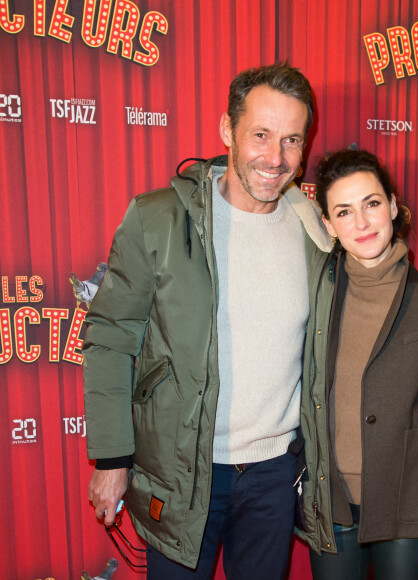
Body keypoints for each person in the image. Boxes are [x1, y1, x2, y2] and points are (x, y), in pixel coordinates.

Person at [83, 62, 335, 580]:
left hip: (275, 473)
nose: (276, 158)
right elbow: (109, 339)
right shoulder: (158, 219)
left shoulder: (317, 232)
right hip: (182, 469)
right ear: (227, 130)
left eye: (292, 140)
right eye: (261, 135)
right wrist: (112, 458)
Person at [298, 149, 418, 579]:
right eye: (343, 211)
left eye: (372, 203)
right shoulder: (312, 297)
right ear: (328, 225)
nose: (361, 222)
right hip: (331, 500)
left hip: (408, 500)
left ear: (394, 206)